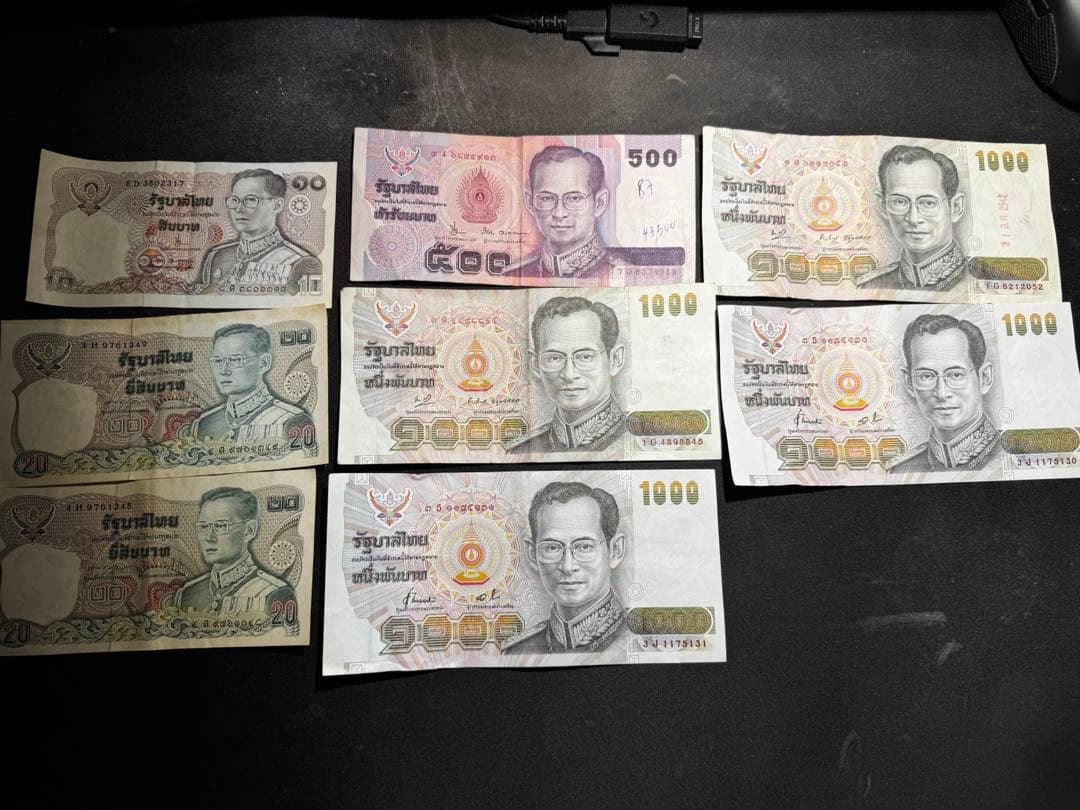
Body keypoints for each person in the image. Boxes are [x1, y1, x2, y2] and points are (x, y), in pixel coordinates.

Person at [501, 481, 628, 653]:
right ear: (532, 554)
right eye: (552, 548)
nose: (568, 567)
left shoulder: (642, 641)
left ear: (615, 550)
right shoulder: (518, 651)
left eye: (584, 546)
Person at [857, 145, 987, 291]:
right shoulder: (871, 286)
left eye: (928, 203)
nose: (913, 219)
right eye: (899, 202)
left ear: (956, 207)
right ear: (883, 206)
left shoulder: (984, 285)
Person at [507, 296, 626, 453]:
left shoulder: (640, 442)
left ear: (615, 360)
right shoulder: (520, 451)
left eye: (585, 357)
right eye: (554, 358)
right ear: (535, 365)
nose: (569, 375)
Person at [888, 314, 1001, 472]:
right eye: (926, 376)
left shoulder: (1016, 457)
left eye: (956, 375)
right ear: (909, 382)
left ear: (984, 378)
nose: (941, 394)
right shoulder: (902, 470)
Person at [166, 487, 295, 616]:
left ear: (249, 530)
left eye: (221, 526)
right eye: (204, 526)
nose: (209, 537)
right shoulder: (186, 594)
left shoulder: (273, 593)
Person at [200, 168, 321, 294]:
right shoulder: (217, 256)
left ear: (277, 206)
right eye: (234, 200)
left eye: (251, 200)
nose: (239, 208)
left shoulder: (298, 262)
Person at [189, 322, 313, 441]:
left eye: (235, 360)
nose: (223, 371)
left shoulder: (290, 420)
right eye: (218, 361)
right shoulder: (203, 424)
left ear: (264, 363)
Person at [516, 145, 615, 279]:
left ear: (599, 203)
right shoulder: (514, 273)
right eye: (547, 198)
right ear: (530, 202)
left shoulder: (617, 273)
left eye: (574, 198)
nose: (559, 213)